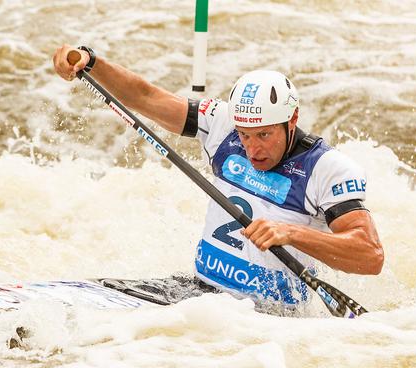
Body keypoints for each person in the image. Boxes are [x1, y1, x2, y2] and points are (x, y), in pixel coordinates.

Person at [52, 45, 384, 311]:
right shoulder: (222, 124)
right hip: (199, 298)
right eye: (245, 135)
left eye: (264, 135)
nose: (253, 149)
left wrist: (290, 232)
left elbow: (370, 256)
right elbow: (147, 96)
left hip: (263, 319)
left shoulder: (328, 169)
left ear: (292, 118)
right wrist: (91, 62)